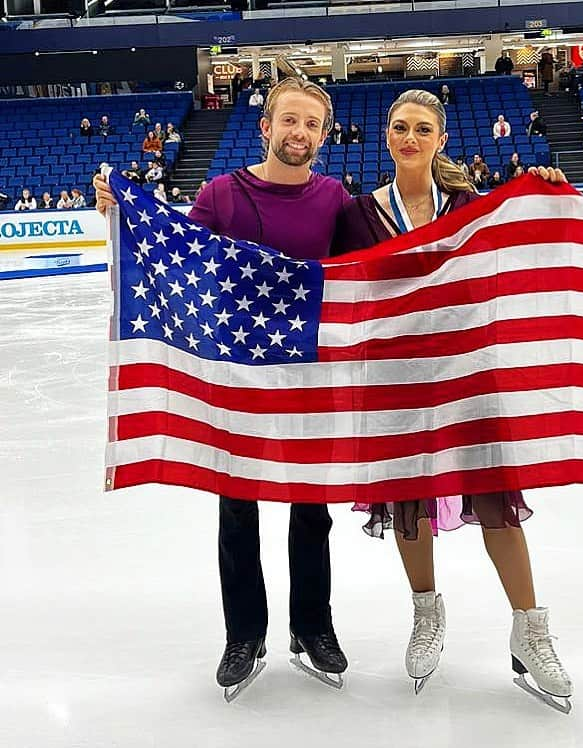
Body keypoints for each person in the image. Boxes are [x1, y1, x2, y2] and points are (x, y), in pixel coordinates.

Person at [93, 76, 351, 701]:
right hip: (233, 374)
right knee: (237, 506)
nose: (299, 133)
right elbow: (175, 252)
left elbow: (379, 267)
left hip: (305, 373)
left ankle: (313, 627)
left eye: (311, 124)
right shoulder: (220, 192)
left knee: (310, 504)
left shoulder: (336, 199)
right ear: (266, 127)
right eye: (289, 120)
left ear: (323, 135)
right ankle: (245, 633)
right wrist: (123, 208)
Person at [331, 88, 572, 709]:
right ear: (387, 136)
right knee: (409, 500)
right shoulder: (357, 213)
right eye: (400, 127)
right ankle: (426, 611)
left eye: (423, 129)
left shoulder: (469, 206)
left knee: (497, 499)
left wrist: (546, 185)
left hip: (469, 374)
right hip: (397, 379)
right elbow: (337, 292)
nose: (410, 138)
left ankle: (530, 629)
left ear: (441, 140)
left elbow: (521, 249)